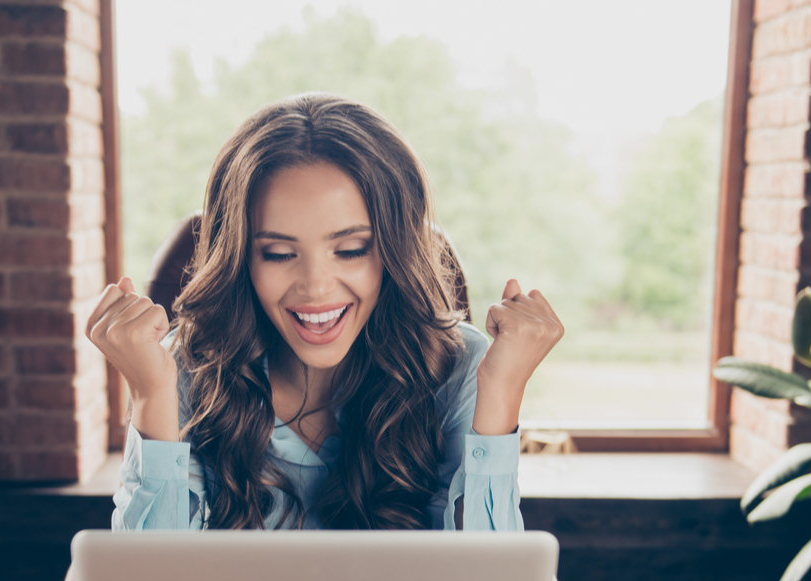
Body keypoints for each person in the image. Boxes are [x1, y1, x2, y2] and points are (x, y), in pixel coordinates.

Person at [87, 93, 564, 532]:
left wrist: (503, 391)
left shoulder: (463, 366)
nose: (315, 288)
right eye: (277, 253)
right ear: (242, 260)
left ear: (393, 253)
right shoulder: (184, 368)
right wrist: (151, 396)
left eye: (351, 249)